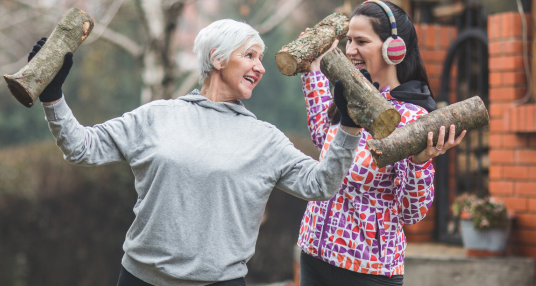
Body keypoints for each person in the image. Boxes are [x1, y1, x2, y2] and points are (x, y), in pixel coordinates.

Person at [28, 19, 363, 286]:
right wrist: (52, 95)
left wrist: (349, 127)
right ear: (217, 58)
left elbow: (322, 184)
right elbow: (81, 148)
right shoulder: (155, 116)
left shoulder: (265, 140)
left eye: (260, 58)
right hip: (141, 279)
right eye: (249, 55)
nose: (260, 67)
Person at [295, 1, 467, 285]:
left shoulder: (414, 118)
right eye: (349, 40)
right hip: (314, 253)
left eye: (361, 41)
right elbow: (325, 142)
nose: (350, 50)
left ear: (394, 48)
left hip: (368, 269)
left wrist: (419, 163)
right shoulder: (350, 89)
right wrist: (312, 71)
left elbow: (412, 212)